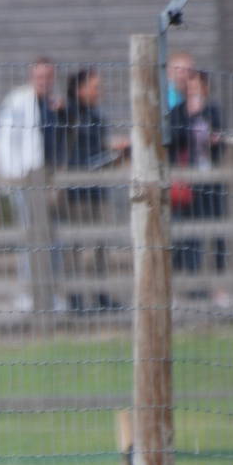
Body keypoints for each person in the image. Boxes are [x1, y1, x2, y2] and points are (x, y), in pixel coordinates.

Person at [58, 67, 129, 310]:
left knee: (100, 246)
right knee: (77, 247)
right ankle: (76, 298)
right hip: (76, 193)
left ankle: (101, 295)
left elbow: (97, 151)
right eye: (95, 86)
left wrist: (116, 154)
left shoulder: (97, 117)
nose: (99, 91)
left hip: (98, 189)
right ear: (79, 89)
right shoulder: (67, 114)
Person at [0, 58, 64, 311]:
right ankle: (28, 293)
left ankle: (51, 294)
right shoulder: (18, 101)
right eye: (39, 76)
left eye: (48, 76)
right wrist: (11, 177)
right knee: (29, 238)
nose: (44, 81)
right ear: (31, 76)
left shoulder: (54, 104)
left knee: (51, 238)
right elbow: (5, 140)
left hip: (48, 180)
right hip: (24, 178)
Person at [166, 70, 225, 276]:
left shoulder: (212, 111)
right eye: (189, 89)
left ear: (205, 89)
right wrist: (191, 116)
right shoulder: (178, 111)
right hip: (187, 180)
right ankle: (193, 279)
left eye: (197, 88)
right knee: (190, 232)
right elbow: (173, 139)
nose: (193, 92)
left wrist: (212, 134)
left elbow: (219, 139)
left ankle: (217, 279)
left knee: (217, 230)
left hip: (210, 177)